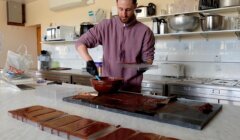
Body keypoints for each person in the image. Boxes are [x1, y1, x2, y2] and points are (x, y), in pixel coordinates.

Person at [75, 0, 155, 92]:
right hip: (107, 87)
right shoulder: (105, 26)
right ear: (116, 4)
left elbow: (148, 60)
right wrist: (89, 61)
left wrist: (138, 68)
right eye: (120, 9)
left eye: (128, 10)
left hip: (131, 90)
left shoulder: (145, 32)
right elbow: (80, 43)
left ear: (135, 6)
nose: (123, 14)